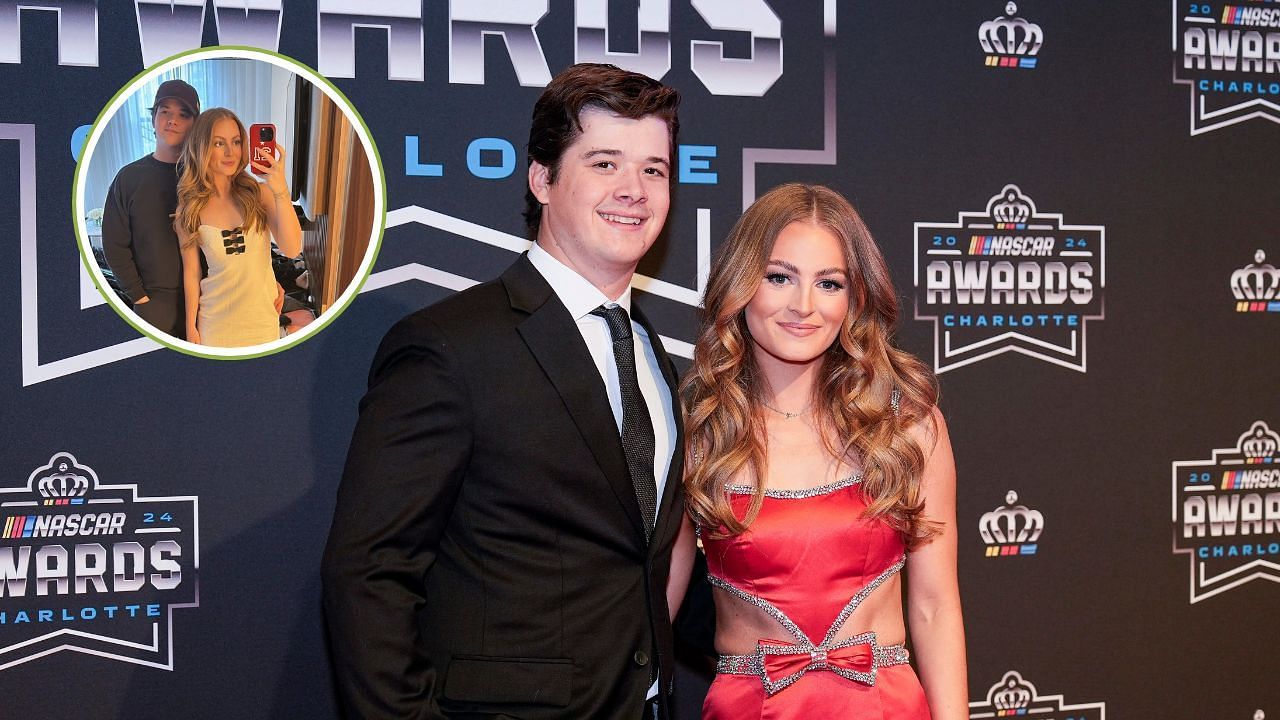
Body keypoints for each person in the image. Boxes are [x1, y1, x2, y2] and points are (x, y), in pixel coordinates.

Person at [322, 64, 686, 719]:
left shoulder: (654, 357)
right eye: (605, 164)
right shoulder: (450, 346)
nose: (634, 190)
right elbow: (370, 573)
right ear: (542, 178)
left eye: (654, 170)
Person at [677, 183, 967, 718]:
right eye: (779, 277)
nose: (803, 306)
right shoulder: (699, 433)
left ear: (854, 297)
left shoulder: (906, 424)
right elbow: (657, 608)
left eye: (828, 283)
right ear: (743, 284)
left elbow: (933, 607)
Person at [173, 107, 301, 347]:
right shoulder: (188, 210)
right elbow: (192, 272)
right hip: (215, 325)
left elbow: (293, 250)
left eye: (236, 141)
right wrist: (191, 326)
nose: (230, 152)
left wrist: (280, 191)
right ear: (202, 148)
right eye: (219, 143)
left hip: (262, 322)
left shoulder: (259, 194)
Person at [101, 79, 200, 338]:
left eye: (183, 114)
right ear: (154, 119)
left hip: (208, 303)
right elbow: (114, 244)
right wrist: (139, 297)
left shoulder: (207, 179)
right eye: (164, 111)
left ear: (195, 125)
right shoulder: (129, 178)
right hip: (154, 307)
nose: (172, 120)